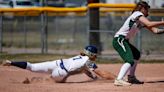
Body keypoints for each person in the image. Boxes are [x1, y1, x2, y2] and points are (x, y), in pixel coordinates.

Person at [112, 1, 164, 86]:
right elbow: (149, 23)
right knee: (129, 60)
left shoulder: (141, 20)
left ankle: (131, 77)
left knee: (136, 55)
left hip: (125, 41)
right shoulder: (137, 14)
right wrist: (162, 22)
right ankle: (119, 79)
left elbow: (156, 31)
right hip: (119, 39)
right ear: (143, 9)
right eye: (147, 9)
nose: (148, 11)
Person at [3, 45, 116, 83]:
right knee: (53, 78)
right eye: (95, 54)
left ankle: (11, 62)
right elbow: (103, 74)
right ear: (91, 54)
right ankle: (37, 80)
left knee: (32, 66)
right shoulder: (88, 61)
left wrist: (93, 78)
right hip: (61, 73)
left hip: (57, 62)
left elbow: (84, 69)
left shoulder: (81, 57)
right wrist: (118, 78)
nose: (96, 56)